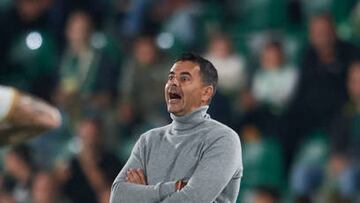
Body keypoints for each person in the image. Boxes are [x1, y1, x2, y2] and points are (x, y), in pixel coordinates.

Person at [110, 53, 243, 202]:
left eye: (184, 78)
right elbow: (118, 196)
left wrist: (143, 194)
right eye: (171, 77)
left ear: (206, 93)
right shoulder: (148, 140)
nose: (173, 83)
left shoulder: (223, 139)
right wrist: (174, 187)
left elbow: (192, 199)